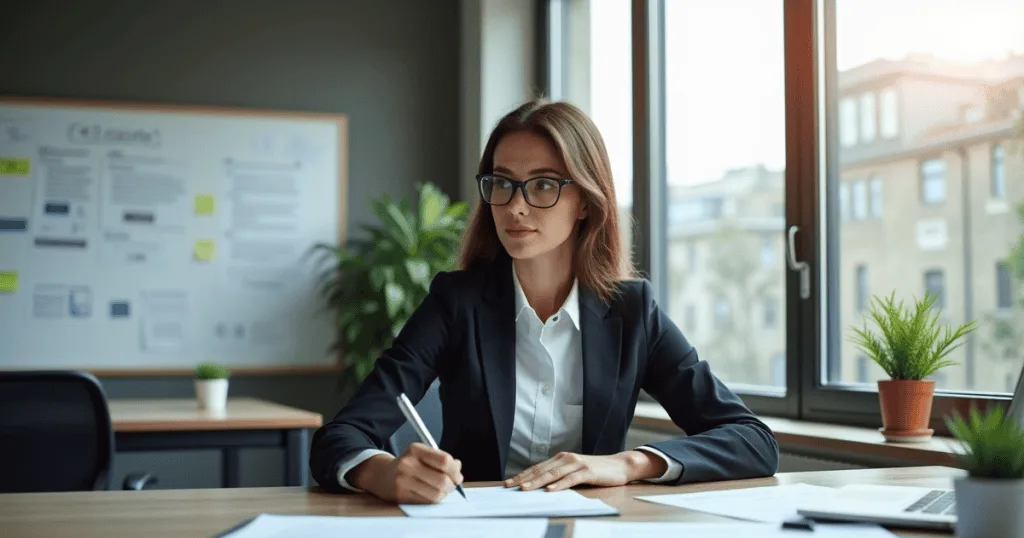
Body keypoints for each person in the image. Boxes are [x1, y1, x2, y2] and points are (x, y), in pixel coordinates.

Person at [309, 99, 779, 504]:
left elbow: (753, 440)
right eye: (502, 183)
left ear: (586, 203)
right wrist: (384, 474)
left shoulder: (632, 312)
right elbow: (340, 438)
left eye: (543, 185)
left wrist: (630, 463)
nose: (515, 206)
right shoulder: (457, 303)